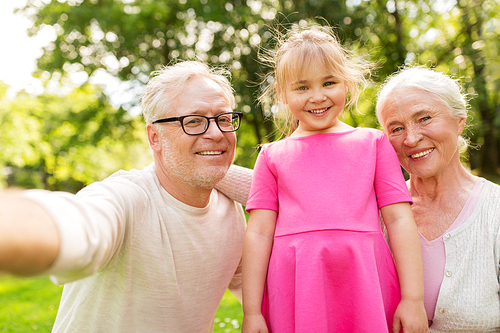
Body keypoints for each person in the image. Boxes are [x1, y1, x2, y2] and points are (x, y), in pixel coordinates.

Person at [0, 60, 249, 332]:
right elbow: (81, 227)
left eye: (224, 119)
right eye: (194, 121)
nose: (216, 133)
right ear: (154, 137)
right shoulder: (128, 198)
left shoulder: (231, 213)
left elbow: (262, 292)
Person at [240, 26, 428, 333]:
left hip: (364, 282)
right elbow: (259, 233)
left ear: (347, 83)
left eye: (329, 82)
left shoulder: (373, 144)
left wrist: (413, 298)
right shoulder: (272, 156)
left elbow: (399, 220)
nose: (317, 97)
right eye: (302, 87)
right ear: (281, 93)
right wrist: (251, 312)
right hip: (297, 288)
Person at [376, 66, 500, 332]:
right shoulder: (376, 216)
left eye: (424, 118)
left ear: (459, 121)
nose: (411, 138)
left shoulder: (496, 211)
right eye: (396, 128)